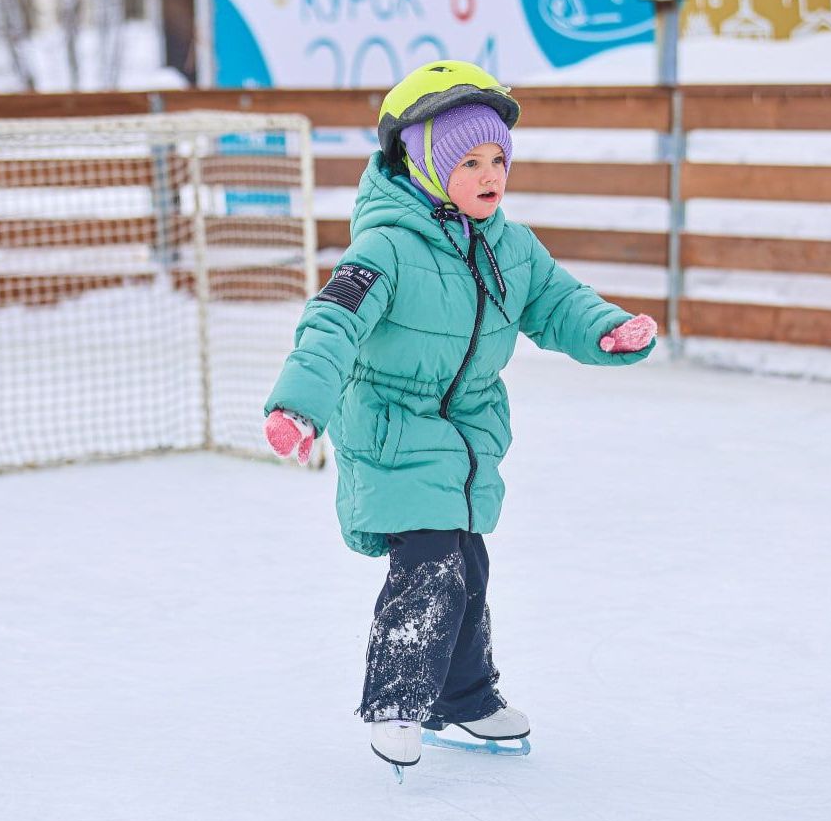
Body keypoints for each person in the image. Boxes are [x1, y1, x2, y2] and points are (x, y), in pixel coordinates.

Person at [262, 60, 657, 773]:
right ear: (421, 163)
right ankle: (395, 701)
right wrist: (298, 407)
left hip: (468, 439)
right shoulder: (384, 247)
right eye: (468, 160)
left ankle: (465, 699)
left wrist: (606, 329)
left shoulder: (510, 245)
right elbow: (330, 328)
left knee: (467, 565)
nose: (489, 174)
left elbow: (559, 303)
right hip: (389, 429)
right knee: (430, 566)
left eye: (498, 159)